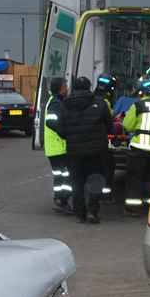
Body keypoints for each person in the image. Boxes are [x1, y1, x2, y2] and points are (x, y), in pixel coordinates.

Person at [51, 76, 113, 224]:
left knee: (77, 183)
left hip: (75, 151)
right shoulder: (100, 102)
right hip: (97, 151)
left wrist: (70, 137)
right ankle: (92, 210)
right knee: (97, 180)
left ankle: (80, 214)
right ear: (90, 87)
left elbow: (58, 127)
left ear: (74, 89)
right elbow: (109, 126)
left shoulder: (65, 104)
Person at [122, 77, 150, 217]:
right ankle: (149, 206)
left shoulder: (138, 105)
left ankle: (131, 209)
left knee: (135, 178)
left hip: (139, 148)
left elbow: (127, 125)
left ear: (143, 93)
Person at [44, 77, 72, 215]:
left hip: (53, 148)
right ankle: (62, 199)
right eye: (66, 87)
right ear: (61, 88)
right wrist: (65, 133)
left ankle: (60, 201)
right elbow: (50, 121)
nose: (67, 89)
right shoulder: (56, 102)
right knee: (69, 175)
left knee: (59, 176)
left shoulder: (53, 100)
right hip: (59, 147)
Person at [94, 73, 118, 204]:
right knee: (108, 167)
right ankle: (105, 196)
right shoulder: (105, 100)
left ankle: (96, 195)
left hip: (91, 139)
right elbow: (109, 118)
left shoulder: (93, 96)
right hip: (103, 139)